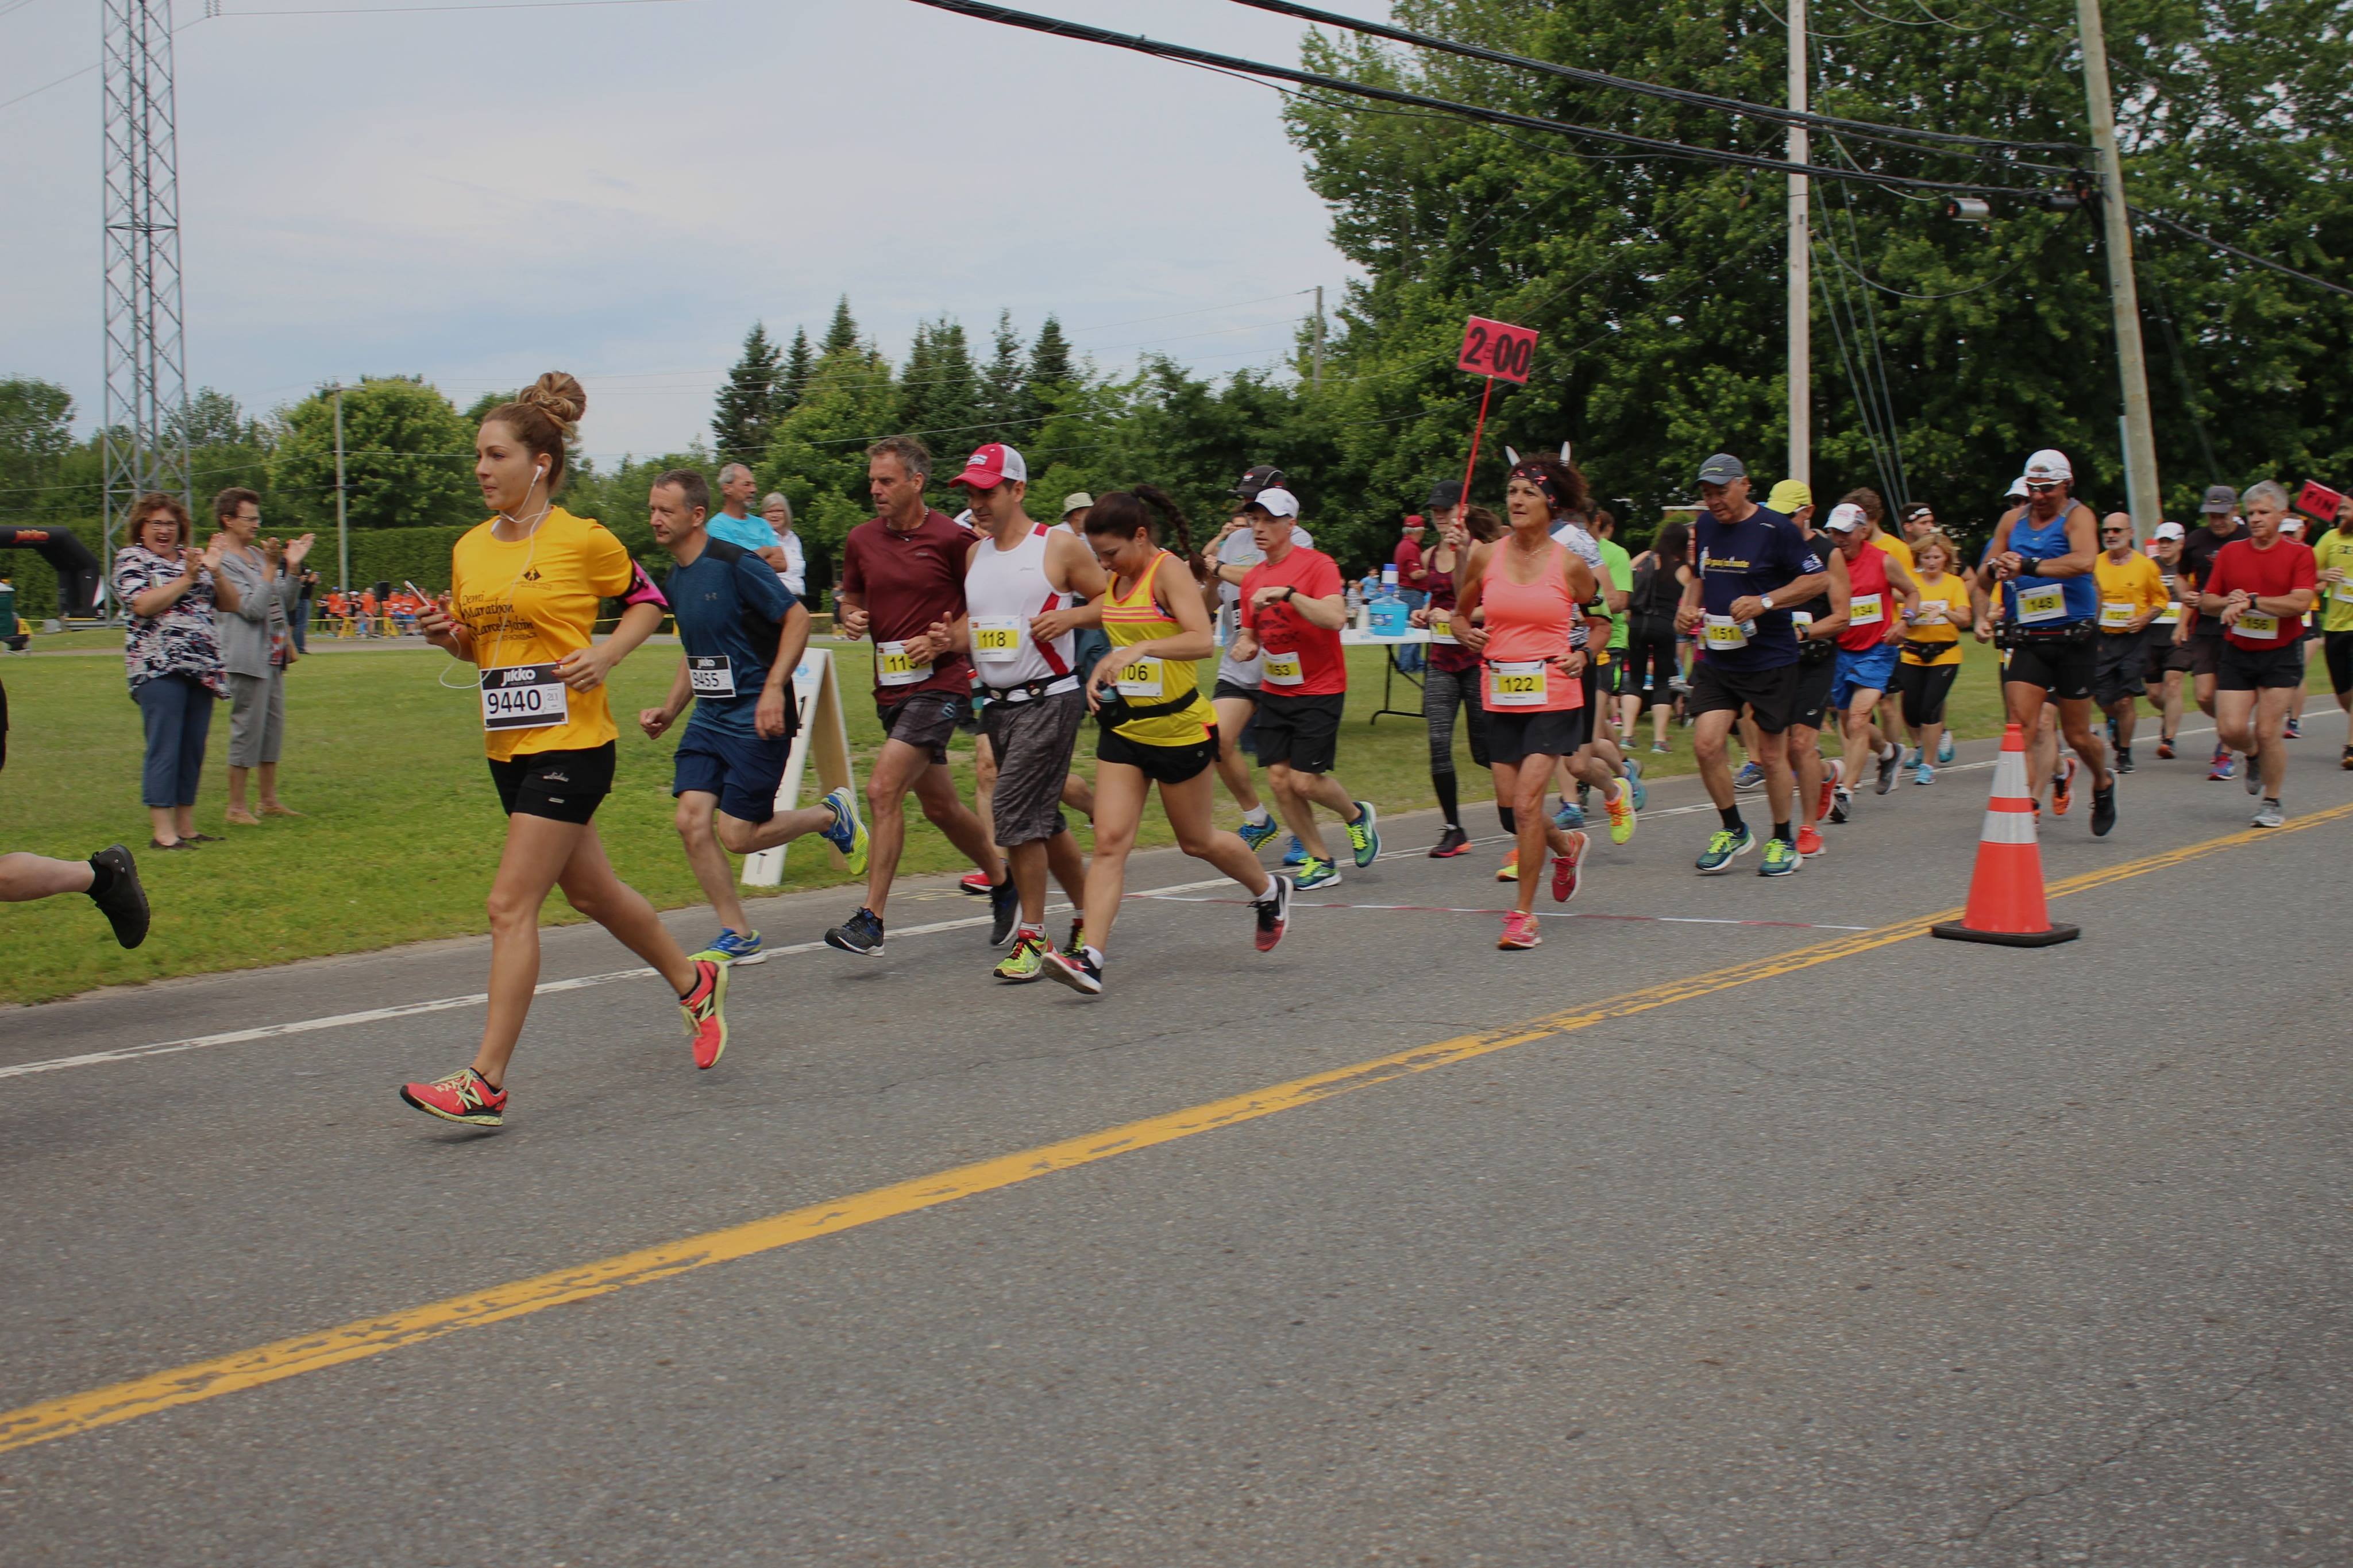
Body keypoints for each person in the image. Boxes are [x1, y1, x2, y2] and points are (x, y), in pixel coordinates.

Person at [402, 373, 726, 1128]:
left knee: (510, 903)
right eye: (477, 456)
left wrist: (607, 655)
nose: (481, 469)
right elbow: (476, 639)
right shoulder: (468, 550)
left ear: (538, 462)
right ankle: (693, 980)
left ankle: (487, 1079)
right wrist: (447, 634)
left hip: (573, 743)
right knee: (593, 894)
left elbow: (651, 599)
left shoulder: (582, 538)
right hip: (507, 744)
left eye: (495, 454)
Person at [1044, 487, 1290, 994]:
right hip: (1126, 730)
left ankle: (1269, 890)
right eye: (1097, 556)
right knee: (1110, 842)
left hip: (1179, 731)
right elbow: (1116, 618)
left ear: (1140, 536)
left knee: (1195, 841)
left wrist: (1140, 652)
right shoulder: (1117, 578)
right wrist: (1081, 635)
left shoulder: (1168, 571)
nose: (1104, 565)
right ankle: (1090, 957)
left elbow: (1202, 639)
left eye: (1110, 553)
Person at [637, 468, 866, 965]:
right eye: (652, 509)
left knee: (738, 835)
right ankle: (737, 932)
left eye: (665, 511)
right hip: (710, 718)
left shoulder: (736, 564)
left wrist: (771, 689)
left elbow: (798, 618)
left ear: (697, 516)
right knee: (690, 820)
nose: (655, 519)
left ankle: (831, 815)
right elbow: (696, 652)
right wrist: (670, 710)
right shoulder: (677, 578)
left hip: (757, 717)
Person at [825, 436, 1012, 956]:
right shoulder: (861, 539)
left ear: (916, 482)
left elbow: (988, 608)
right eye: (872, 481)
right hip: (890, 689)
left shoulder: (954, 539)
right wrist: (850, 616)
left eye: (886, 481)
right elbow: (853, 597)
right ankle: (1003, 880)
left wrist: (948, 639)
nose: (876, 490)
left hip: (941, 682)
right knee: (942, 807)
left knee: (883, 789)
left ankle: (872, 920)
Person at [935, 442, 1105, 982]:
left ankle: (1033, 934)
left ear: (1018, 490)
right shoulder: (974, 555)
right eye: (970, 492)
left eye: (987, 491)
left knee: (1011, 811)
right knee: (1044, 821)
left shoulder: (1057, 547)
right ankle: (1088, 915)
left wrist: (1072, 619)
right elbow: (979, 627)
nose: (978, 502)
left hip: (1051, 697)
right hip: (1000, 705)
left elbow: (1118, 600)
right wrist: (947, 638)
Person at [1452, 478, 1598, 949]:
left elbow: (1602, 622)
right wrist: (1464, 633)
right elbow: (1459, 614)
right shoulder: (1485, 555)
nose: (1515, 500)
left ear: (1551, 506)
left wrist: (1586, 656)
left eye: (1527, 494)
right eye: (1511, 491)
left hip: (1554, 694)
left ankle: (1523, 915)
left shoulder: (1571, 565)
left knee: (1528, 805)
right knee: (1510, 812)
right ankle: (1566, 846)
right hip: (1502, 696)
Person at [1674, 453, 1830, 876]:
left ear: (1744, 485)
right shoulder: (1705, 525)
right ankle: (1734, 829)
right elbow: (1700, 578)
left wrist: (1765, 602)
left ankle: (1783, 839)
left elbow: (1818, 580)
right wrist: (1687, 611)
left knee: (1771, 754)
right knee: (1706, 745)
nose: (1714, 502)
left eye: (1721, 492)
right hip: (1718, 655)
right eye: (1707, 494)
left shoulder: (1775, 529)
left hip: (1769, 658)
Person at [1228, 485, 1379, 889]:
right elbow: (1249, 634)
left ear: (1291, 525)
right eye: (1255, 520)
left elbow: (1335, 618)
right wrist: (1244, 646)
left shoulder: (1317, 566)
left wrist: (1291, 595)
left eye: (1269, 521)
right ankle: (1322, 860)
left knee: (1304, 780)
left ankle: (1356, 816)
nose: (1258, 528)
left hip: (1320, 687)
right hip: (1276, 689)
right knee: (1278, 779)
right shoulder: (1252, 580)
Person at [1980, 448, 2117, 835]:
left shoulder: (2078, 516)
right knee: (2022, 725)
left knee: (2076, 734)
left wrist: (2029, 566)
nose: (2040, 497)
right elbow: (1983, 573)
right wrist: (1996, 568)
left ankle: (2103, 782)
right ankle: (2020, 808)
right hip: (2030, 638)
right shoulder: (2012, 520)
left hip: (2073, 638)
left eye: (2048, 489)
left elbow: (2085, 561)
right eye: (2034, 488)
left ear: (2066, 486)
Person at [113, 492, 234, 851]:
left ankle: (186, 826)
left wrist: (214, 568)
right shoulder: (132, 559)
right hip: (158, 667)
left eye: (171, 524)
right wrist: (187, 578)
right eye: (156, 524)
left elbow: (230, 604)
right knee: (165, 746)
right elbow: (143, 604)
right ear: (141, 528)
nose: (164, 531)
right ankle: (163, 833)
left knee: (193, 747)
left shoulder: (192, 558)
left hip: (202, 667)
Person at [2201, 480, 2317, 827]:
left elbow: (2300, 602)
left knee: (2269, 731)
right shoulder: (2231, 553)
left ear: (2283, 515)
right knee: (2230, 730)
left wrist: (2252, 602)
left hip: (2281, 651)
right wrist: (2229, 602)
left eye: (2264, 512)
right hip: (2239, 650)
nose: (2256, 519)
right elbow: (2207, 601)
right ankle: (2251, 755)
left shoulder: (2300, 554)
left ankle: (2272, 801)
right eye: (2251, 513)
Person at [1205, 488, 1310, 855]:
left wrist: (1219, 567)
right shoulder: (1234, 540)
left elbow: (1265, 577)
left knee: (1288, 768)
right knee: (1215, 737)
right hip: (1240, 662)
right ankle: (1257, 819)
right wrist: (1210, 580)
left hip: (1283, 666)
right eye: (1251, 507)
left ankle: (1304, 835)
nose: (1256, 519)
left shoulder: (1297, 537)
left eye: (1262, 508)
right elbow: (1212, 600)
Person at [209, 488, 313, 826]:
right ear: (228, 520)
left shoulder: (256, 555)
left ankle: (268, 800)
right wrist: (271, 567)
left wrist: (292, 569)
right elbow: (252, 609)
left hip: (273, 655)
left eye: (257, 518)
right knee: (247, 729)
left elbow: (283, 601)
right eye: (249, 518)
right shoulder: (224, 562)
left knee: (271, 729)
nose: (256, 524)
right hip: (245, 656)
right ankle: (236, 807)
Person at [1411, 501, 1504, 856]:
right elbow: (1435, 598)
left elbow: (1480, 603)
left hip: (1476, 658)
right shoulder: (1428, 555)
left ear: (1461, 512)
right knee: (1438, 744)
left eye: (1445, 510)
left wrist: (1450, 616)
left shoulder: (1480, 549)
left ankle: (1519, 816)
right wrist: (1424, 613)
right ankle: (1454, 829)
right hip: (1441, 661)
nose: (1438, 516)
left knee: (1485, 751)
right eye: (1433, 510)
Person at [1824, 501, 1921, 809]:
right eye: (1834, 532)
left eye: (1846, 533)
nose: (1840, 539)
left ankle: (1846, 792)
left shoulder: (1883, 561)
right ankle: (1889, 752)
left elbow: (1914, 592)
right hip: (1842, 651)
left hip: (1877, 649)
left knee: (1858, 718)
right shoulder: (1828, 562)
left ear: (1863, 531)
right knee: (1848, 720)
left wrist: (1905, 621)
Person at [1773, 487, 1848, 854]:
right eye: (1778, 515)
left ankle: (1807, 828)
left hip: (1817, 658)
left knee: (1802, 744)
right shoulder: (1769, 547)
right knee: (1782, 749)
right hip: (1776, 659)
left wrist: (1804, 632)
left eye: (1790, 515)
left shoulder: (1828, 554)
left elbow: (1843, 616)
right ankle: (1826, 776)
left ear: (1809, 512)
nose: (1783, 523)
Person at [1891, 530, 1975, 785]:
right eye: (1926, 557)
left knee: (1930, 707)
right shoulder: (1910, 583)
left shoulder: (1954, 583)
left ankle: (1927, 764)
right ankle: (1922, 746)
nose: (1931, 561)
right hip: (1913, 653)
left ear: (1945, 558)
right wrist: (1913, 614)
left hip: (1945, 654)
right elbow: (1897, 604)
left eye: (1936, 557)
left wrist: (1944, 611)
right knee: (1911, 709)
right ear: (1919, 559)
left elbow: (1965, 619)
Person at [2089, 512, 2169, 773]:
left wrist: (2144, 619)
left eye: (2117, 530)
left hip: (2133, 639)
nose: (2111, 535)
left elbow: (2161, 600)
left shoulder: (2146, 566)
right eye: (2107, 531)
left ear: (2130, 534)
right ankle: (2114, 720)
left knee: (2125, 700)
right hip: (2102, 638)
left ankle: (2124, 752)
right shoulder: (2095, 563)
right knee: (2099, 696)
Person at [2180, 484, 2248, 779]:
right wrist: (2185, 594)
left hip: (2241, 624)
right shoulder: (2196, 540)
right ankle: (2232, 727)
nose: (2217, 521)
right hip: (2205, 624)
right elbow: (2180, 576)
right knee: (2206, 695)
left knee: (2228, 689)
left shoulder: (2248, 537)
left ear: (2235, 511)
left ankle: (2226, 748)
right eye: (2211, 515)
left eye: (2222, 514)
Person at [1625, 519, 1692, 754]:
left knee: (1634, 679)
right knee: (1662, 682)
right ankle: (1659, 741)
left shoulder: (1646, 557)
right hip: (1665, 626)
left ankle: (1627, 735)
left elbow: (1626, 576)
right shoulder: (1684, 568)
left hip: (1637, 624)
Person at [2142, 521, 2192, 758]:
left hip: (2179, 635)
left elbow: (2193, 598)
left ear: (2181, 543)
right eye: (2161, 541)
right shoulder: (2148, 567)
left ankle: (2169, 740)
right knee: (2153, 693)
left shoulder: (2188, 568)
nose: (2164, 546)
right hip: (2152, 636)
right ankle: (2170, 714)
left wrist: (2182, 625)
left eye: (2169, 542)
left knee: (2173, 682)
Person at [2312, 492, 2353, 768]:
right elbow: (2306, 571)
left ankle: (2350, 748)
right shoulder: (2331, 539)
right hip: (2335, 627)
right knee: (2344, 696)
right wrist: (2324, 576)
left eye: (2346, 509)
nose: (2340, 514)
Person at [1392, 514, 1429, 673]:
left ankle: (1413, 663)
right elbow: (1415, 574)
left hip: (1407, 593)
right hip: (1412, 593)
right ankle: (1408, 664)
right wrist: (1434, 570)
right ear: (1418, 531)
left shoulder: (1403, 545)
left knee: (1412, 628)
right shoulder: (1411, 547)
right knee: (1415, 629)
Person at [761, 491, 808, 598]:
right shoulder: (761, 538)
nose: (774, 515)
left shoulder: (794, 539)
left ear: (786, 513)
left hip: (798, 597)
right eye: (770, 511)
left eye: (778, 511)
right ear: (763, 516)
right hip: (775, 598)